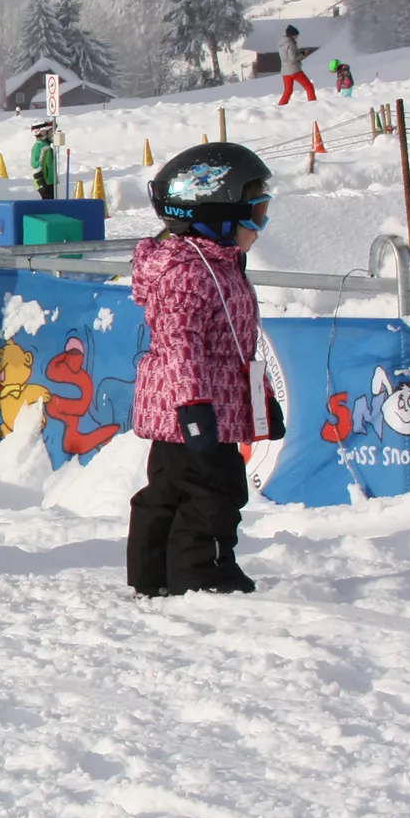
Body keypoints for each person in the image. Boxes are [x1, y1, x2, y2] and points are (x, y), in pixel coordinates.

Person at [128, 143, 279, 597]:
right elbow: (179, 344)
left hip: (207, 403)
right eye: (255, 213)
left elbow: (238, 345)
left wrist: (263, 399)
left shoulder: (217, 266)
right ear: (216, 214)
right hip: (195, 407)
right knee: (214, 492)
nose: (262, 227)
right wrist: (192, 406)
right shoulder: (189, 272)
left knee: (174, 488)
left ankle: (156, 577)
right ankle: (203, 575)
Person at [276, 24, 316, 105]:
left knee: (287, 91)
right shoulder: (290, 44)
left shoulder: (281, 44)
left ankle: (280, 107)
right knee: (309, 87)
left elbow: (287, 56)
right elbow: (292, 57)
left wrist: (299, 52)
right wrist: (302, 55)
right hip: (294, 69)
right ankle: (313, 105)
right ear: (292, 35)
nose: (296, 37)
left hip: (285, 71)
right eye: (296, 35)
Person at [31, 120, 58, 200]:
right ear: (43, 133)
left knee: (52, 201)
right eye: (50, 132)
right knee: (48, 202)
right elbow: (35, 164)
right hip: (44, 182)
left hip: (50, 181)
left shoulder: (46, 146)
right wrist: (40, 181)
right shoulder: (39, 147)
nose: (52, 134)